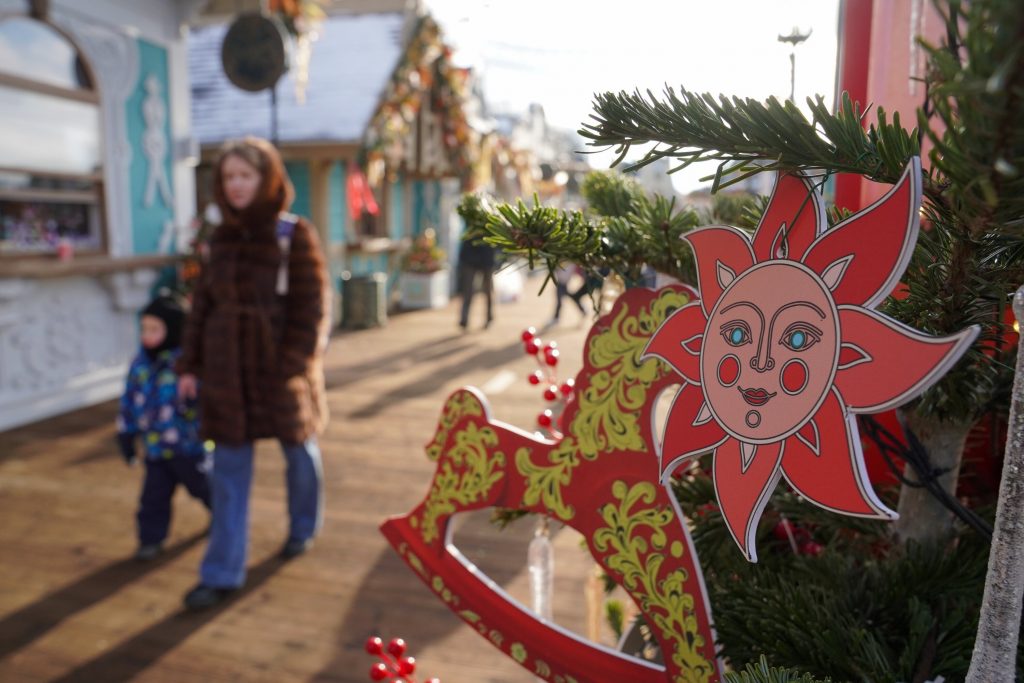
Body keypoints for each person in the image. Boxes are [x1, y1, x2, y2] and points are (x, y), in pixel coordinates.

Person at [177, 137, 331, 610]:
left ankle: (303, 526)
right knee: (228, 472)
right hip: (226, 372)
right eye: (229, 177)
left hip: (278, 371)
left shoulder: (292, 233)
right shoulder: (219, 238)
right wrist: (190, 365)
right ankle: (222, 572)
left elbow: (313, 307)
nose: (237, 185)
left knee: (300, 453)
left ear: (267, 179)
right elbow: (202, 306)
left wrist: (292, 364)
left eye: (246, 175)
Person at [117, 295, 211, 561]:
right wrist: (127, 432)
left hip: (188, 447)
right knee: (152, 498)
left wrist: (195, 399)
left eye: (154, 329)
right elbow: (130, 399)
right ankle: (150, 539)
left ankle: (222, 515)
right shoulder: (140, 364)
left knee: (204, 488)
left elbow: (205, 398)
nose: (147, 335)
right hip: (155, 449)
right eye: (144, 329)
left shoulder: (186, 365)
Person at [457, 237, 497, 330]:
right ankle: (464, 319)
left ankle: (489, 317)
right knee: (468, 290)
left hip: (487, 257)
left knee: (488, 291)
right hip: (470, 257)